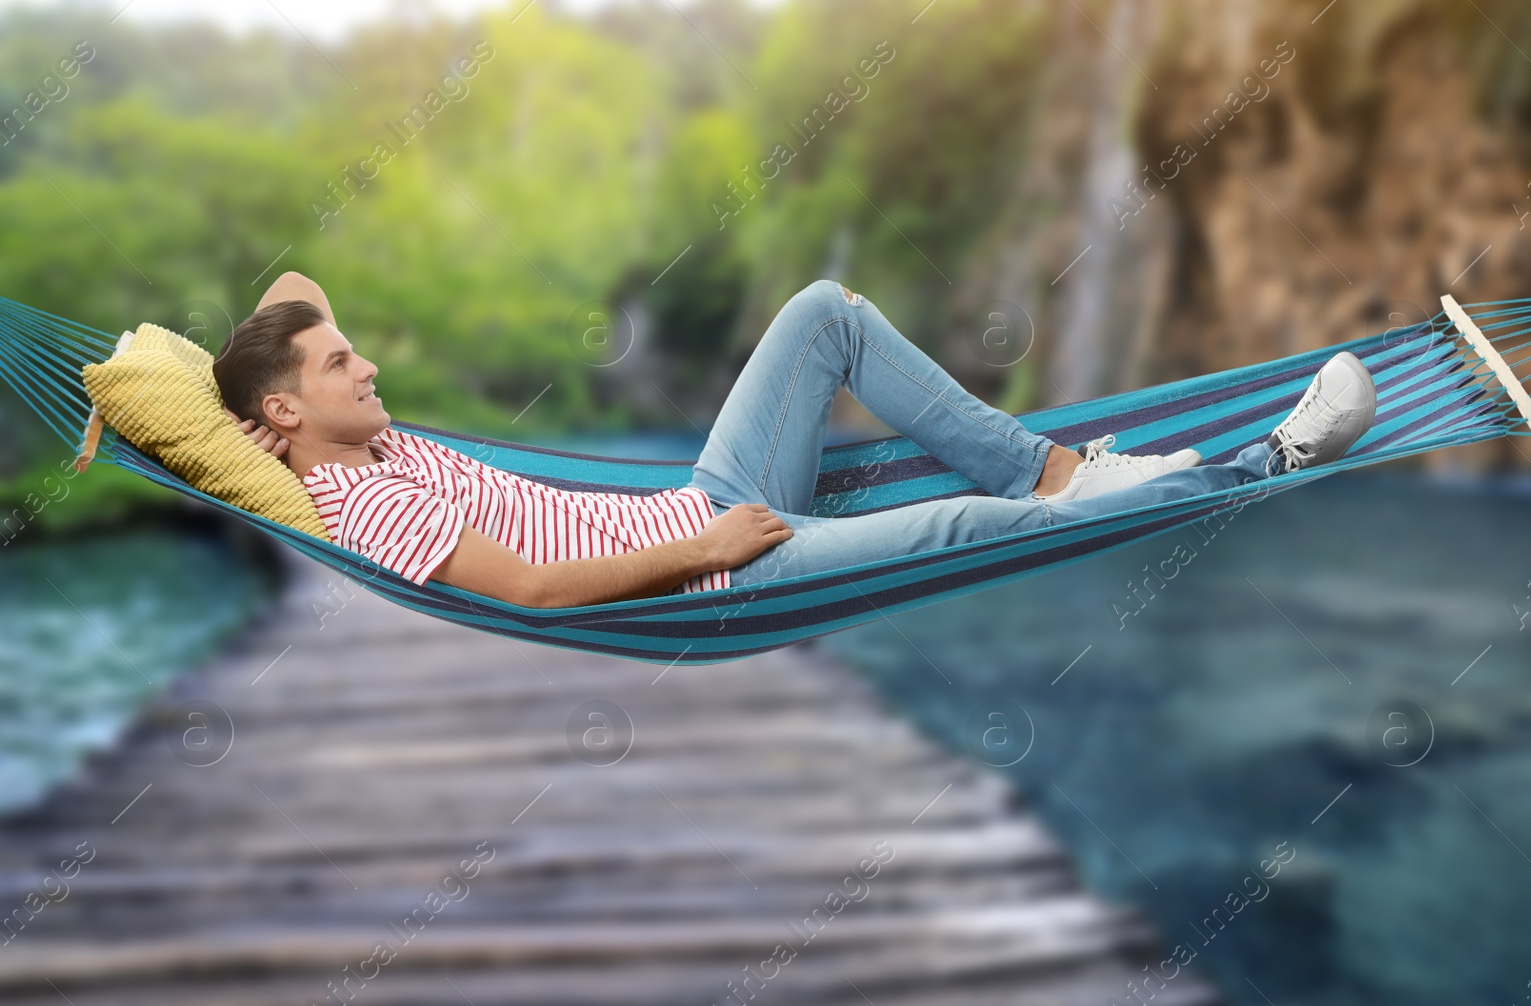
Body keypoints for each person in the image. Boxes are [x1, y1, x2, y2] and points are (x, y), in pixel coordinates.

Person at [214, 273, 1377, 609]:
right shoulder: (366, 501)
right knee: (964, 527)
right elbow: (527, 589)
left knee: (826, 312)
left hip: (700, 500)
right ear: (286, 413)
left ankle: (1063, 468)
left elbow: (293, 289)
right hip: (721, 561)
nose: (366, 366)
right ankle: (1270, 458)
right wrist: (705, 547)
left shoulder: (347, 433)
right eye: (336, 364)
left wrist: (177, 398)